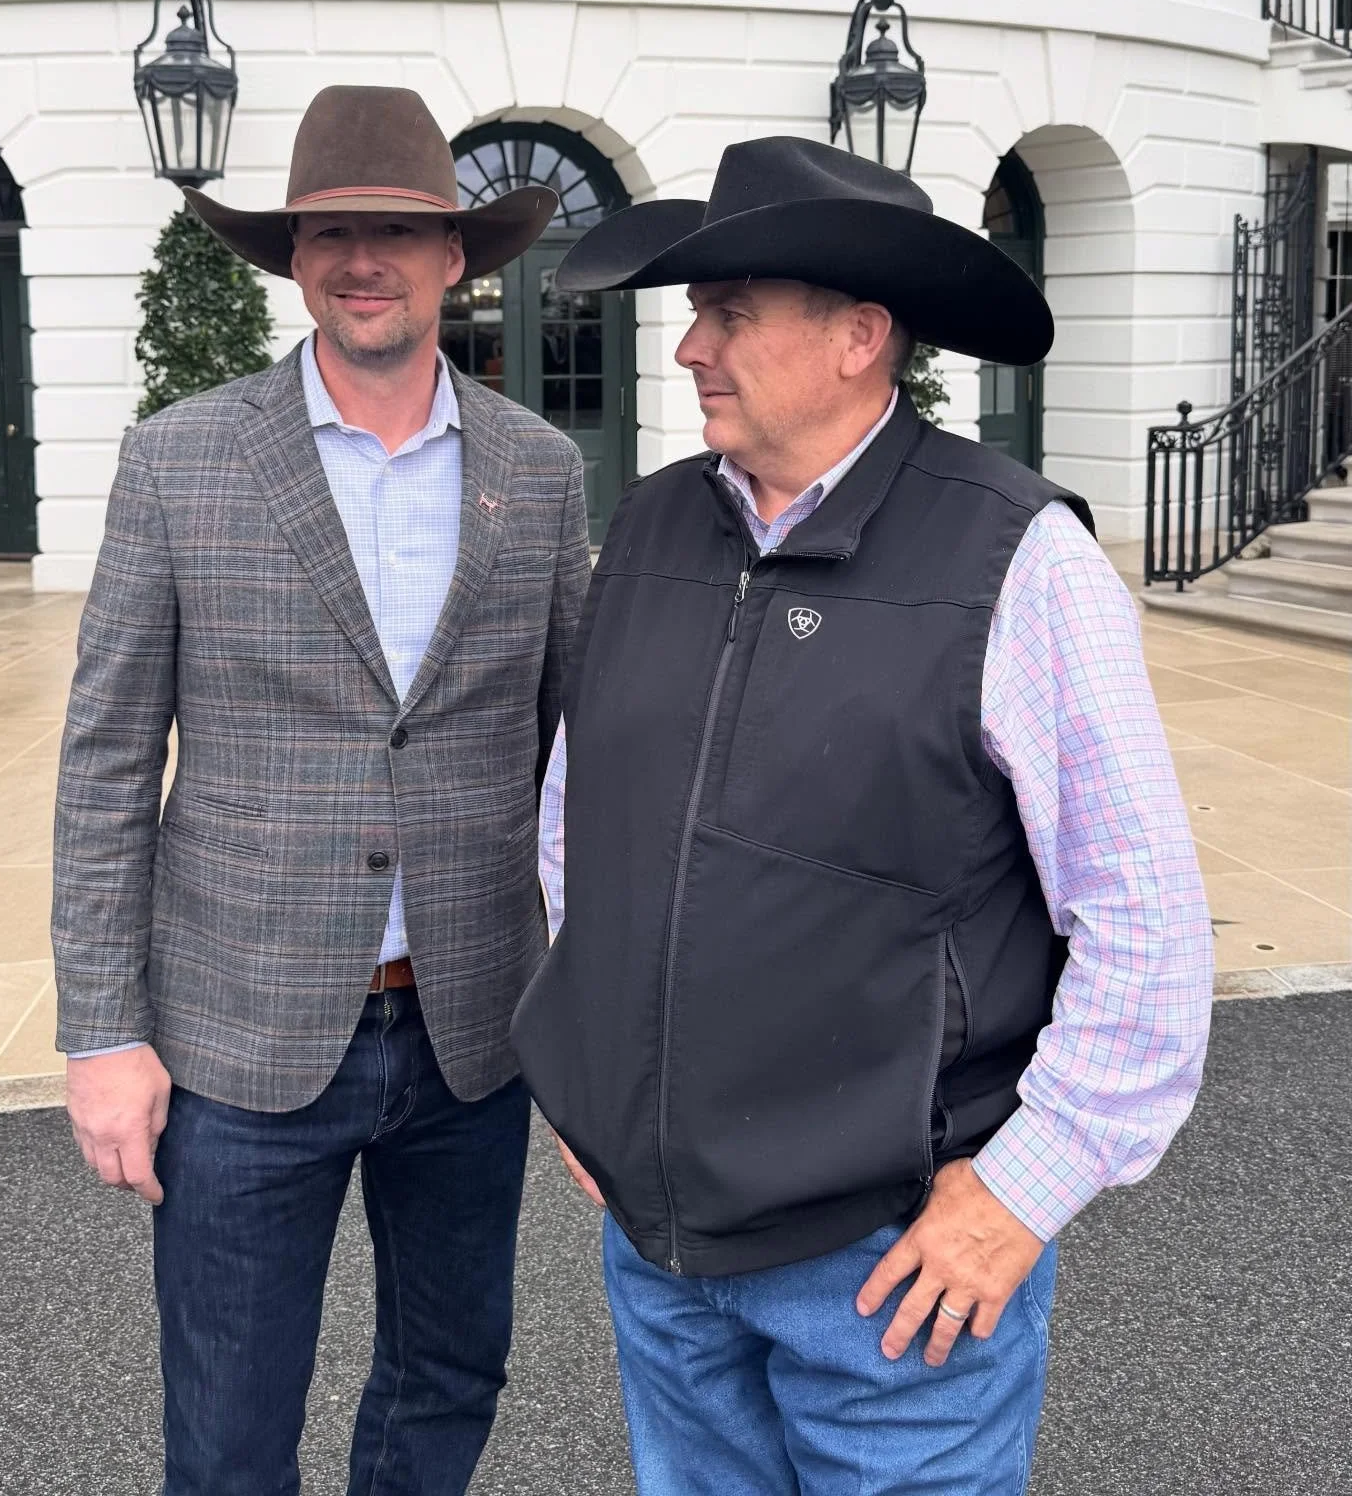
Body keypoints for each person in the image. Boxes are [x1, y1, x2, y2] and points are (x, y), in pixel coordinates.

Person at [512, 137, 1213, 1496]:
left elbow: (1149, 934)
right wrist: (588, 1079)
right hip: (663, 1263)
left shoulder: (1020, 560)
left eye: (729, 314)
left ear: (858, 336)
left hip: (891, 1276)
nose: (689, 350)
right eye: (694, 315)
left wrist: (1022, 1192)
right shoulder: (653, 528)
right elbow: (575, 826)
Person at [52, 86, 590, 1496]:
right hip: (240, 1034)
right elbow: (107, 760)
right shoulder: (182, 458)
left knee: (449, 1379)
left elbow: (581, 754)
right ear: (294, 257)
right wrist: (105, 1032)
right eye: (333, 230)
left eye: (399, 233)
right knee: (229, 1427)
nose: (366, 258)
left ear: (456, 257)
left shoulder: (537, 474)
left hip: (472, 1029)